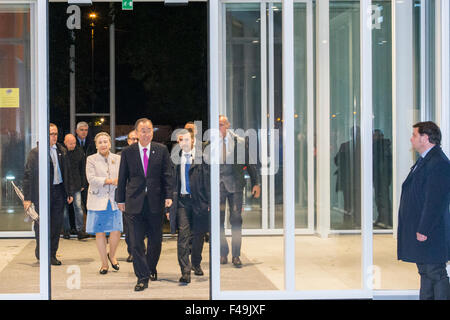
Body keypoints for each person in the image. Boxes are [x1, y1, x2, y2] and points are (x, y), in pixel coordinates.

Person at [116, 118, 173, 292]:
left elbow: (168, 174)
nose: (146, 133)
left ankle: (150, 267)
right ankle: (142, 277)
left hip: (155, 202)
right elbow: (122, 176)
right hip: (134, 203)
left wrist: (169, 196)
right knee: (135, 242)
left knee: (156, 241)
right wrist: (120, 200)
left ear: (152, 132)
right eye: (143, 130)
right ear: (136, 132)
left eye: (149, 130)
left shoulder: (161, 150)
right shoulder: (128, 152)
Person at [397, 121, 450, 300]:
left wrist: (424, 229)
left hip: (431, 231)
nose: (411, 139)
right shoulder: (426, 160)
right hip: (422, 229)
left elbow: (435, 201)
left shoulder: (438, 163)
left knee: (435, 272)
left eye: (414, 135)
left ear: (425, 138)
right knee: (426, 273)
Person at [23, 123, 73, 265]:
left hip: (59, 192)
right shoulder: (36, 153)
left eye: (56, 133)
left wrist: (69, 192)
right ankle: (41, 252)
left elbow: (67, 173)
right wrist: (28, 198)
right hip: (43, 193)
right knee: (42, 224)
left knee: (56, 225)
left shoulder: (62, 150)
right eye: (51, 134)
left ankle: (52, 254)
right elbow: (28, 175)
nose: (54, 136)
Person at [218, 115, 260, 268]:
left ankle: (236, 255)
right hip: (219, 187)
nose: (220, 127)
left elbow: (250, 163)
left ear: (228, 125)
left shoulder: (239, 142)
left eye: (222, 124)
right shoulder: (210, 144)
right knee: (218, 222)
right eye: (218, 125)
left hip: (235, 187)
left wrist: (256, 183)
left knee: (236, 220)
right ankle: (223, 252)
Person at [169, 128, 210, 284]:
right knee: (183, 236)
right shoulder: (174, 158)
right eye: (180, 140)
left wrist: (210, 202)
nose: (183, 143)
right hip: (182, 202)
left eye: (186, 139)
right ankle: (185, 271)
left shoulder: (202, 158)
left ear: (193, 141)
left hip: (199, 201)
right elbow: (170, 182)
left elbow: (208, 180)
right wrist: (169, 205)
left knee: (198, 235)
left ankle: (196, 263)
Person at [85, 132, 122, 275]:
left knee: (116, 230)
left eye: (105, 141)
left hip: (114, 199)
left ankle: (112, 255)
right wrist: (109, 181)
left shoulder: (118, 158)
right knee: (99, 233)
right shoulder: (91, 159)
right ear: (96, 145)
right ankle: (104, 263)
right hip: (97, 200)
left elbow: (122, 176)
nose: (103, 145)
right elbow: (91, 179)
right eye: (100, 142)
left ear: (110, 143)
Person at [63, 134, 89, 240]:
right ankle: (66, 230)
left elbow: (83, 169)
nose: (73, 145)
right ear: (65, 142)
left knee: (78, 207)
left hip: (77, 184)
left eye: (74, 143)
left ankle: (80, 230)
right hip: (64, 185)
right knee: (64, 209)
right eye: (70, 143)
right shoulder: (61, 152)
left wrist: (83, 183)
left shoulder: (79, 152)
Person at [334, 126, 361, 228]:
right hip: (358, 179)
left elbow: (337, 160)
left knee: (348, 202)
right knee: (357, 201)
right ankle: (357, 221)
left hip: (348, 179)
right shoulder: (363, 146)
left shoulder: (345, 146)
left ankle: (348, 221)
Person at [121, 129, 139, 263]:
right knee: (129, 228)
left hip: (144, 197)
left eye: (136, 139)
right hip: (128, 197)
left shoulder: (147, 155)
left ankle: (140, 250)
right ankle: (132, 251)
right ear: (127, 141)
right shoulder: (121, 155)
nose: (134, 141)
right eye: (131, 139)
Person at [372, 129, 392, 228]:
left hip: (383, 176)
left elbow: (386, 163)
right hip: (377, 175)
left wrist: (386, 177)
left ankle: (387, 219)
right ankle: (381, 217)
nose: (374, 138)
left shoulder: (384, 146)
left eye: (375, 136)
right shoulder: (375, 147)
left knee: (384, 198)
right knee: (378, 198)